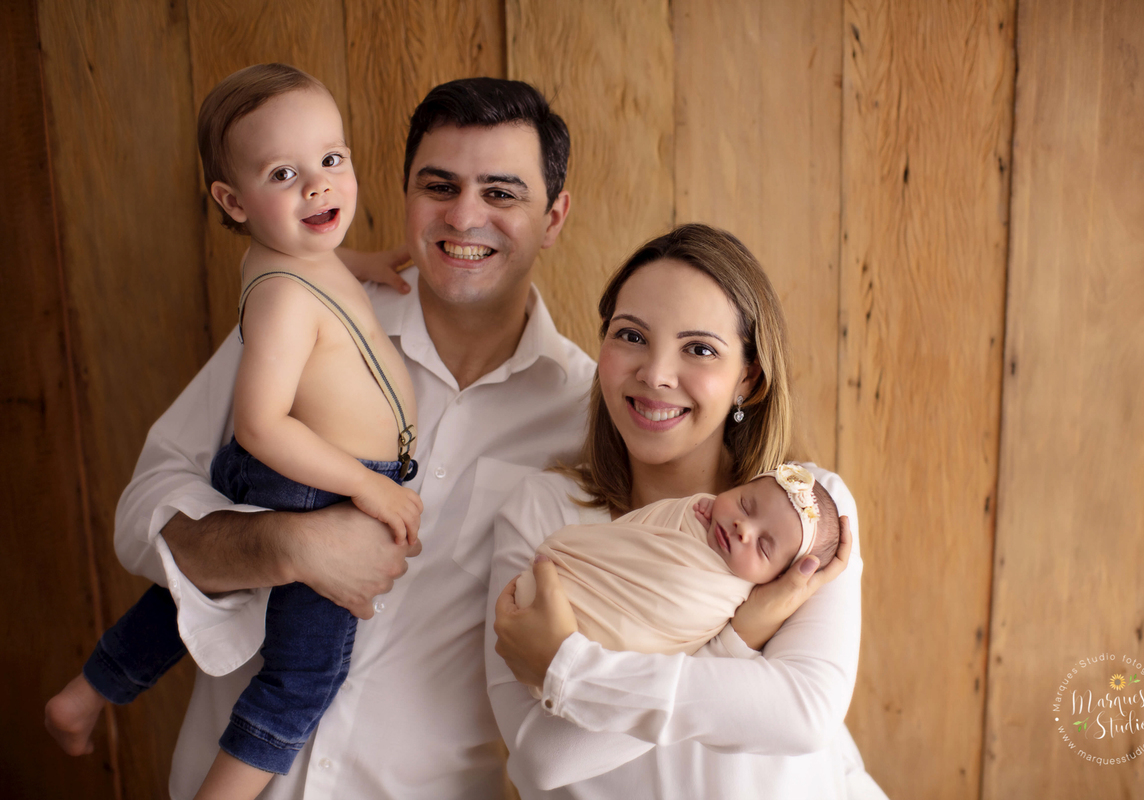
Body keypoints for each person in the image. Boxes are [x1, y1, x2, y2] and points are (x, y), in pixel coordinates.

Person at [104, 77, 594, 799]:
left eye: (500, 193)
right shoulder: (302, 308)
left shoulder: (586, 417)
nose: (464, 215)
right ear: (404, 196)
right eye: (439, 185)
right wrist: (283, 545)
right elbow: (140, 519)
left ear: (552, 218)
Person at [46, 64, 427, 799]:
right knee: (303, 673)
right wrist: (365, 488)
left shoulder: (296, 255)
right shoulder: (282, 296)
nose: (318, 185)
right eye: (284, 172)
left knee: (199, 595)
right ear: (232, 200)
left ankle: (86, 691)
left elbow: (317, 264)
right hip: (315, 487)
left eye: (332, 159)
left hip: (313, 481)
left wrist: (365, 263)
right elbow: (258, 425)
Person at [489, 224, 888, 798]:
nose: (655, 374)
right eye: (630, 336)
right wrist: (739, 637)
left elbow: (803, 713)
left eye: (699, 349)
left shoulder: (808, 510)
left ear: (746, 379)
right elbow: (542, 761)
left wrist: (568, 671)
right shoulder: (541, 510)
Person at [512, 463, 841, 658]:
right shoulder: (694, 510)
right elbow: (636, 533)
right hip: (561, 584)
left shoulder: (730, 595)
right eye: (744, 504)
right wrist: (688, 516)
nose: (744, 529)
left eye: (764, 547)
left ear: (777, 579)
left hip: (588, 641)